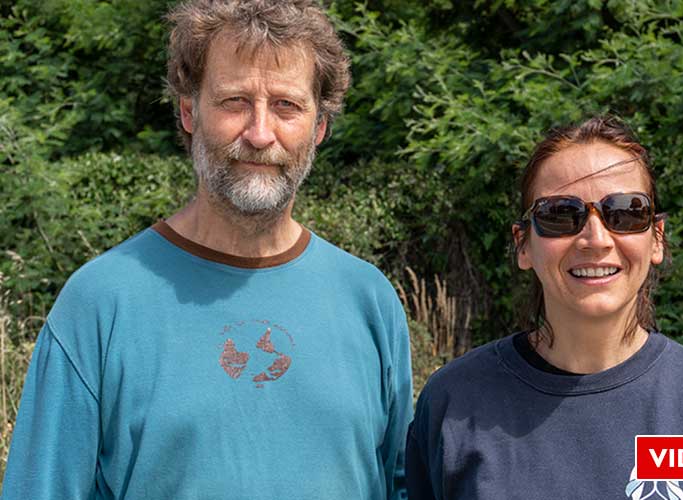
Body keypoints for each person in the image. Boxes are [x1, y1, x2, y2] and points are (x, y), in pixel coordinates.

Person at [3, 1, 412, 498]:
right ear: (189, 112)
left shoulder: (369, 300)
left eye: (286, 105)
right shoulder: (100, 304)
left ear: (319, 126)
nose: (260, 134)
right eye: (234, 101)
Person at [405, 116, 683, 499]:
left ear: (657, 238)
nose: (596, 238)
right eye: (560, 215)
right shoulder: (453, 404)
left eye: (626, 213)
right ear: (523, 244)